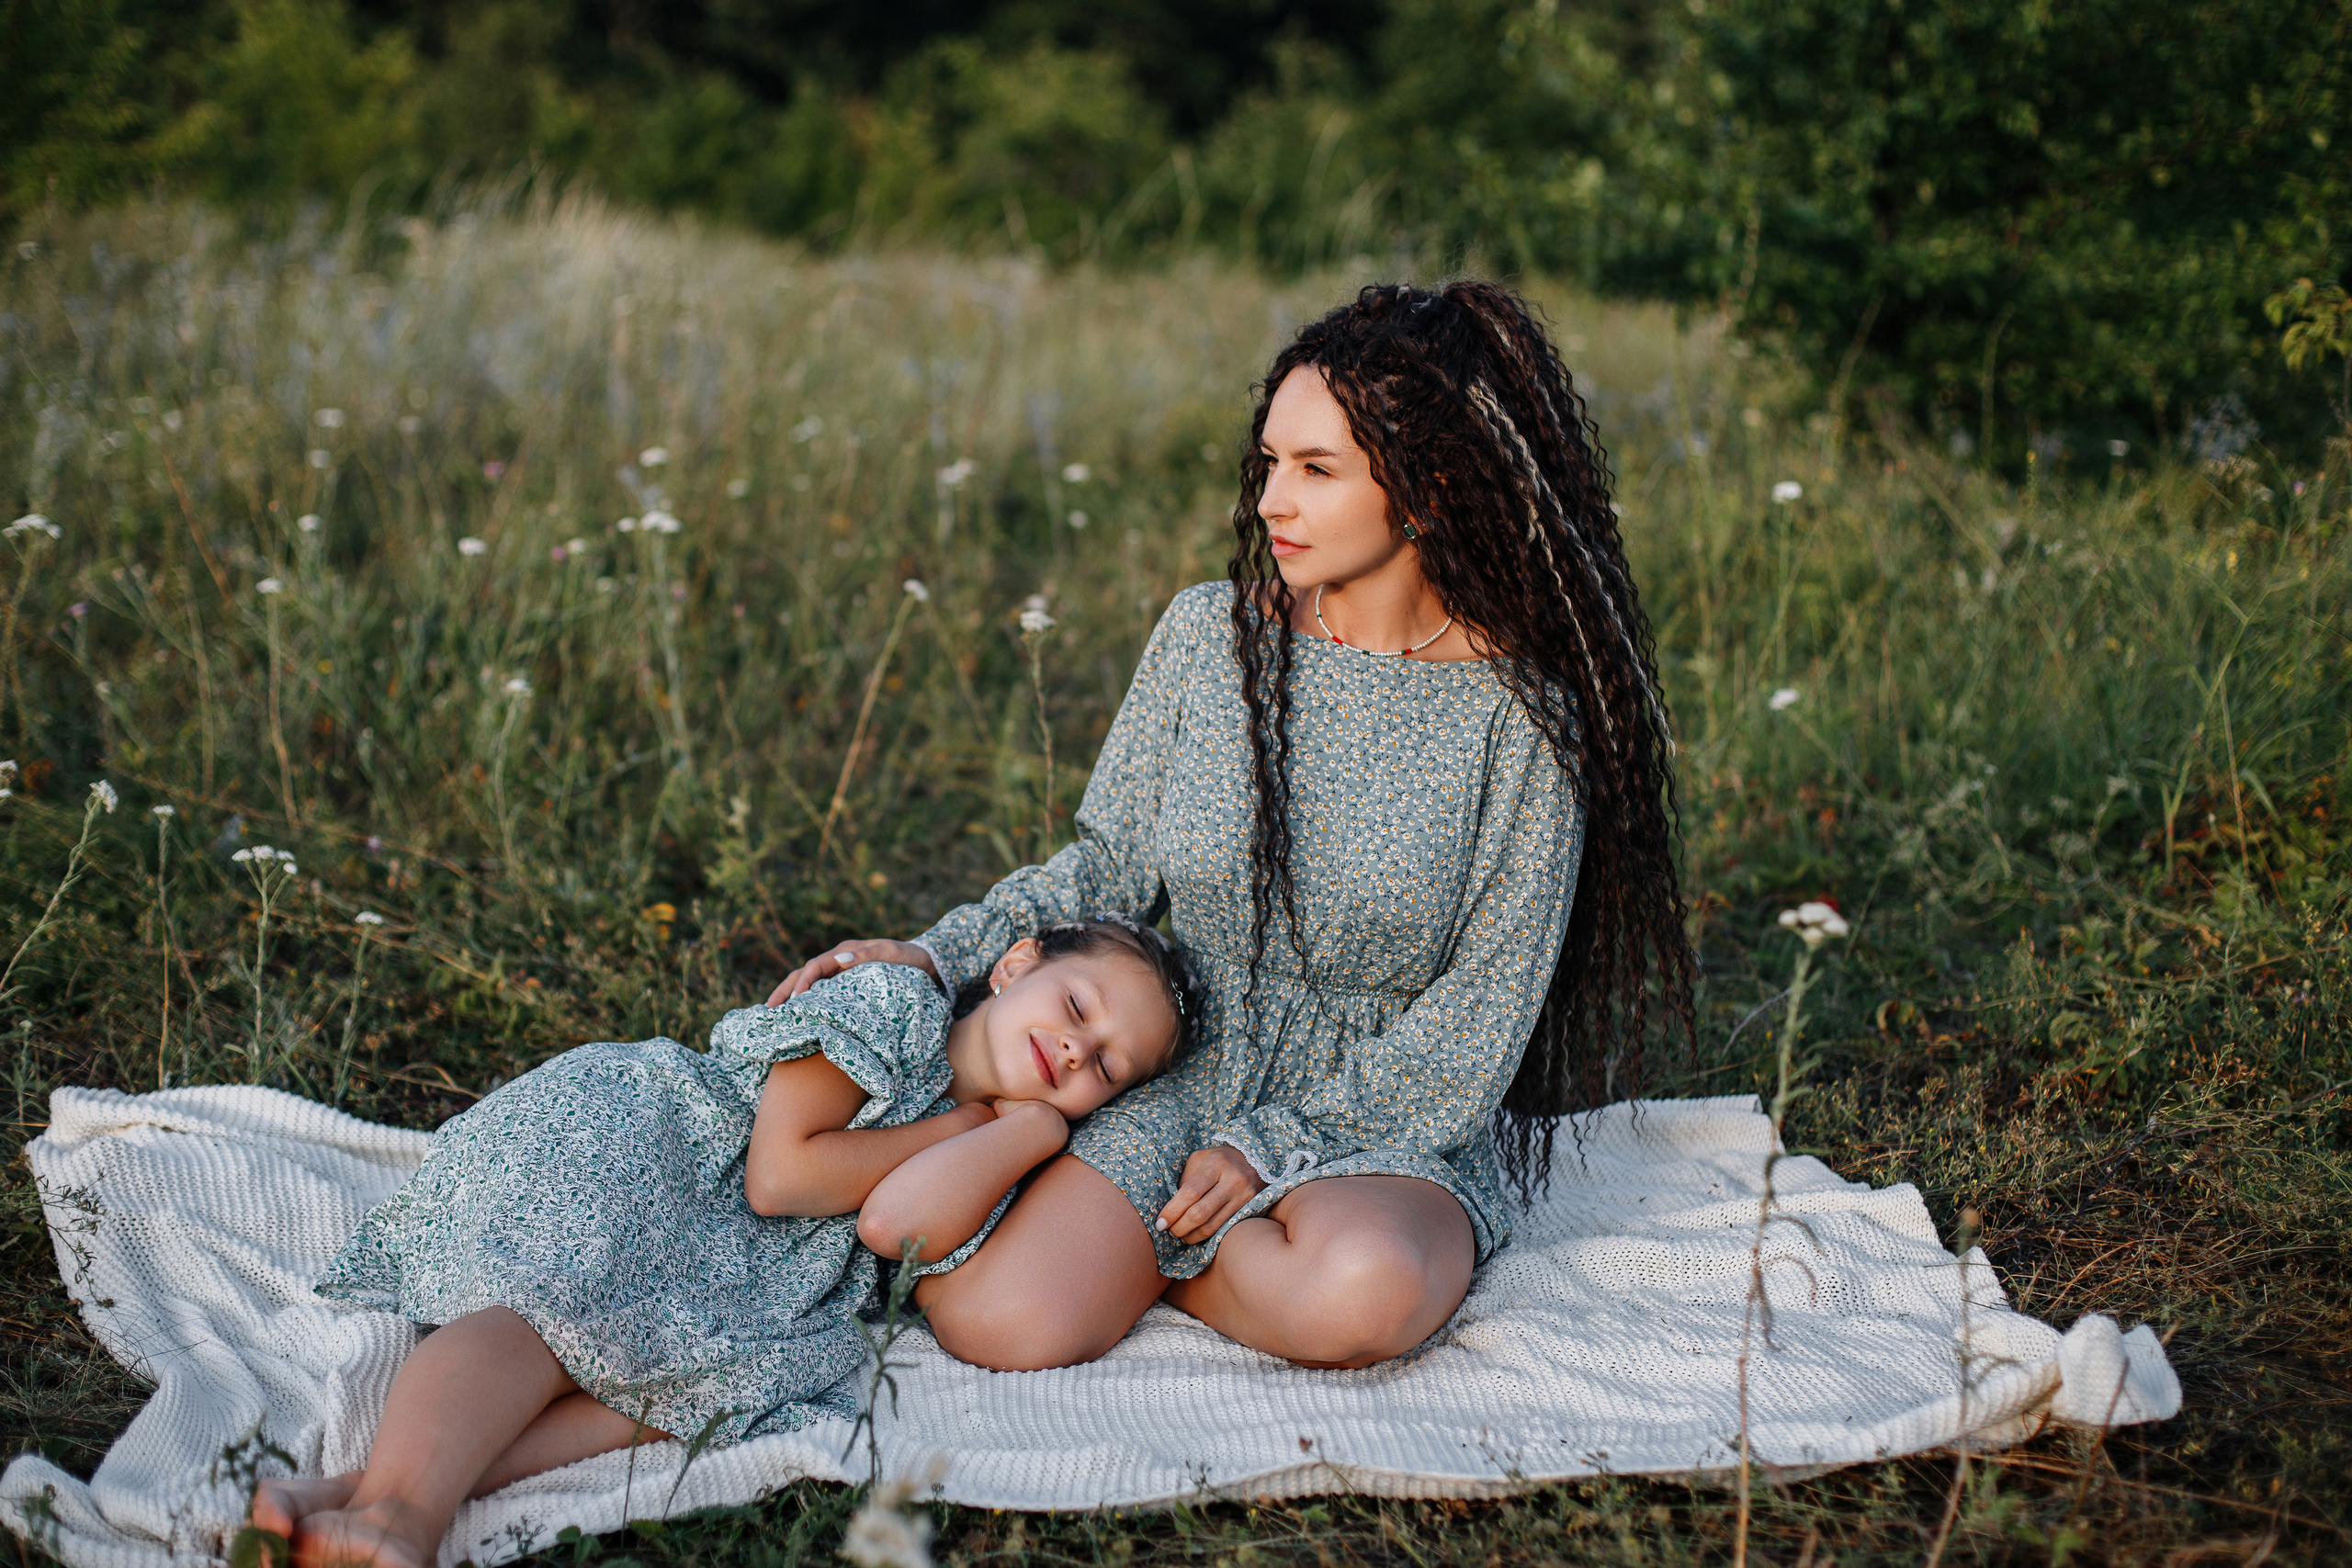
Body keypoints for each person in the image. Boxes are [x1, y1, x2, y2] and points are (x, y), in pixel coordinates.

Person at [776, 280, 1695, 1374]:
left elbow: (1479, 1011)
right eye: (1268, 463)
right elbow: (1108, 866)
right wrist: (944, 951)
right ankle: (1181, 1250)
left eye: (1315, 470)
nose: (1269, 500)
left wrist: (1272, 1149)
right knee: (996, 1318)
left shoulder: (1523, 722)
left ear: (1431, 489)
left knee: (1360, 1294)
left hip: (1379, 1108)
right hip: (1173, 1062)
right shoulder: (1208, 639)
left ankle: (1171, 1256)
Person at [254, 915, 1200, 1568]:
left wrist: (1028, 1131)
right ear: (1016, 965)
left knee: (680, 1395)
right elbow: (781, 1175)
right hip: (669, 1155)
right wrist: (966, 1128)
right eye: (1076, 1008)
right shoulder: (893, 1006)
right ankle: (398, 1519)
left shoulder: (1008, 1149)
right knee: (561, 1307)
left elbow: (892, 1226)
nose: (1078, 1050)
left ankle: (351, 1494)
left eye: (1107, 1066)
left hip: (764, 1278)